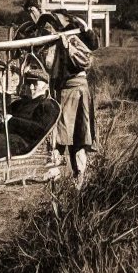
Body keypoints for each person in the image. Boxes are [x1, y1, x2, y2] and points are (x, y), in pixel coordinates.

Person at [42, 10, 99, 185]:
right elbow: (49, 66)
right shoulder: (52, 43)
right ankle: (56, 181)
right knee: (59, 137)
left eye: (52, 24)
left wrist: (79, 34)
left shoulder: (73, 37)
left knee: (79, 137)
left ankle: (79, 179)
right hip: (63, 91)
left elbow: (91, 50)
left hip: (77, 90)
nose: (49, 28)